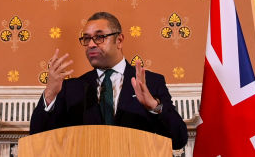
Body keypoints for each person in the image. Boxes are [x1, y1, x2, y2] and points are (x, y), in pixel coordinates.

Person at [29, 11, 188, 150]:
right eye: (86, 38)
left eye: (99, 37)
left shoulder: (151, 83)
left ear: (119, 40)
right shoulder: (71, 88)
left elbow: (178, 140)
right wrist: (49, 94)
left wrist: (154, 106)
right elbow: (37, 140)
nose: (91, 44)